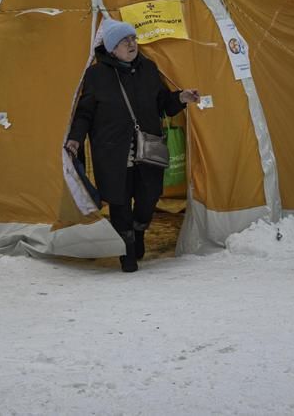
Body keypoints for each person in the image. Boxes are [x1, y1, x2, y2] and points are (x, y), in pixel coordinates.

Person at [66, 18, 200, 272]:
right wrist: (75, 138)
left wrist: (181, 98)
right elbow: (85, 112)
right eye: (125, 40)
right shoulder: (96, 75)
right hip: (112, 151)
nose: (132, 44)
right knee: (119, 202)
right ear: (112, 47)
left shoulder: (148, 69)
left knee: (149, 197)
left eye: (133, 39)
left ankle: (139, 229)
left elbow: (162, 103)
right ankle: (127, 248)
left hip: (147, 147)